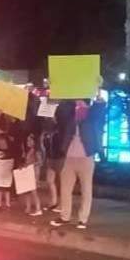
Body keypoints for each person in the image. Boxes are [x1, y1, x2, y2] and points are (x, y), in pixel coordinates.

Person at [50, 98, 106, 230]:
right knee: (65, 189)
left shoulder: (91, 113)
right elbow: (61, 117)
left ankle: (83, 219)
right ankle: (65, 217)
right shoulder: (69, 112)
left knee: (86, 189)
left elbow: (99, 113)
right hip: (69, 158)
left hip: (86, 157)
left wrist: (99, 102)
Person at [22, 132, 43, 216]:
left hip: (34, 173)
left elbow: (40, 162)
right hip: (29, 172)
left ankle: (38, 209)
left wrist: (30, 164)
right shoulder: (29, 150)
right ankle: (28, 207)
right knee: (27, 191)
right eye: (27, 140)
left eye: (30, 140)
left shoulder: (36, 151)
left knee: (34, 192)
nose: (28, 142)